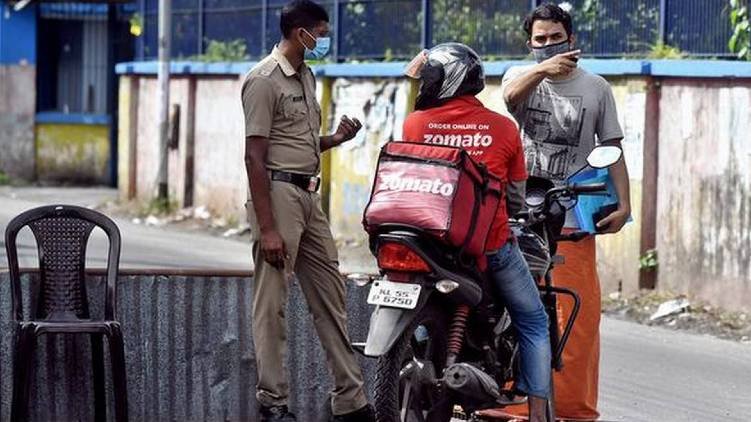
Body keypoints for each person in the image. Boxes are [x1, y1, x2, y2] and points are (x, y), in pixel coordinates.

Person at [402, 42, 552, 422]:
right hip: (487, 245)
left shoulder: (415, 124)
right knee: (534, 320)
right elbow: (516, 200)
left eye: (431, 77)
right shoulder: (503, 127)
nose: (426, 84)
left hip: (427, 243)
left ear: (446, 81)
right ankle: (537, 414)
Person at [240, 1, 375, 421]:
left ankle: (351, 401)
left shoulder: (305, 76)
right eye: (321, 31)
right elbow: (254, 158)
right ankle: (273, 402)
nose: (325, 40)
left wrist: (333, 139)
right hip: (277, 198)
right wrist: (268, 229)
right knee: (272, 303)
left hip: (308, 197)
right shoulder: (263, 80)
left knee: (331, 298)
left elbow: (296, 143)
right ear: (302, 33)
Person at [501, 3, 631, 421]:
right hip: (520, 215)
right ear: (530, 45)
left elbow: (612, 148)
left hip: (573, 215)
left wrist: (625, 205)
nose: (549, 45)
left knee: (576, 312)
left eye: (556, 37)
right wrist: (541, 70)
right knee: (513, 308)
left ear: (571, 40)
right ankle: (509, 403)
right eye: (540, 40)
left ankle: (572, 407)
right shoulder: (519, 78)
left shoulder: (596, 88)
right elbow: (508, 99)